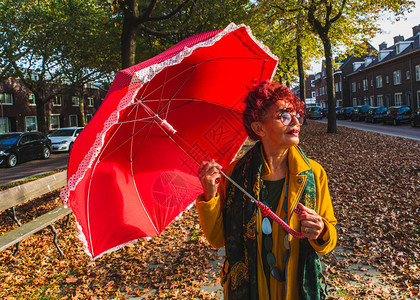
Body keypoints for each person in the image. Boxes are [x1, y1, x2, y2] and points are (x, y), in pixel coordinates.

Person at [196, 80, 337, 300]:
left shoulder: (314, 173)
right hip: (251, 290)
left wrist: (322, 231)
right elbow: (217, 239)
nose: (295, 122)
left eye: (295, 114)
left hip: (298, 290)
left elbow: (328, 241)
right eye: (284, 116)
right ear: (258, 128)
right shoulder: (235, 176)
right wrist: (210, 196)